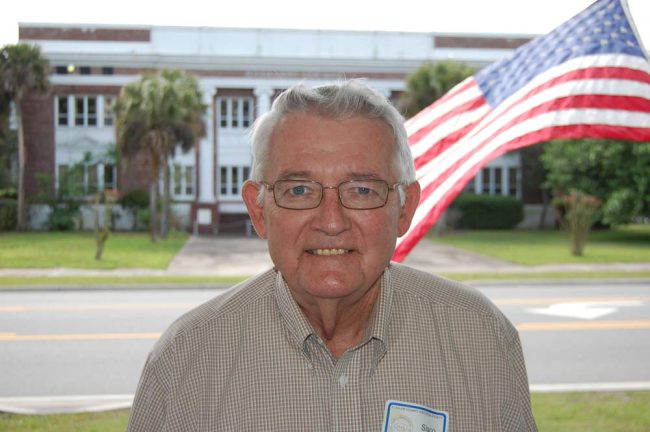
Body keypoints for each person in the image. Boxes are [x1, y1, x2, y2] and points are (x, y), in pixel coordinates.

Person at [127, 80, 537, 431]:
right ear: (258, 210)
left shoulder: (481, 338)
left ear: (405, 208)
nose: (331, 221)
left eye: (361, 190)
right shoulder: (187, 358)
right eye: (299, 190)